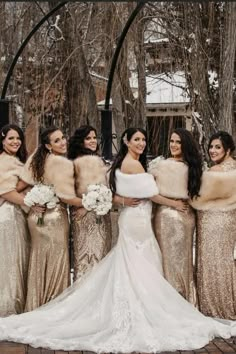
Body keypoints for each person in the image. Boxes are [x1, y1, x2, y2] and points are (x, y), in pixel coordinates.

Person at [0, 127, 235, 352]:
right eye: (137, 140)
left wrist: (124, 196)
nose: (141, 144)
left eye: (143, 140)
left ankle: (143, 306)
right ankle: (142, 310)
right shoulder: (132, 164)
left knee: (137, 261)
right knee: (139, 261)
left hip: (135, 216)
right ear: (127, 142)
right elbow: (151, 192)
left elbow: (129, 190)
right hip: (136, 219)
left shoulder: (127, 164)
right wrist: (173, 202)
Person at [19, 127, 83, 311]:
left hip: (36, 217)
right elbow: (66, 197)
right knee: (57, 262)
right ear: (48, 145)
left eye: (63, 137)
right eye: (57, 140)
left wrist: (31, 200)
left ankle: (35, 305)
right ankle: (53, 308)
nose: (63, 142)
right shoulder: (61, 164)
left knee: (38, 259)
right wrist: (88, 203)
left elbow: (19, 186)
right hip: (54, 217)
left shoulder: (35, 160)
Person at [149, 128, 202, 304]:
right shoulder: (160, 166)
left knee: (185, 259)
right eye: (171, 141)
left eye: (178, 142)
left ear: (185, 144)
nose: (173, 145)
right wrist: (174, 204)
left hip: (187, 217)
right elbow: (151, 193)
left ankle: (186, 300)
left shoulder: (193, 167)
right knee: (166, 259)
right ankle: (169, 302)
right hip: (165, 215)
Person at [191, 131, 236, 320]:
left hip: (211, 221)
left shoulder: (214, 172)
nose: (213, 150)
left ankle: (214, 308)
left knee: (211, 263)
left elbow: (197, 200)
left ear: (228, 150)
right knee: (225, 262)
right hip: (230, 221)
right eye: (211, 146)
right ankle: (230, 303)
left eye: (218, 147)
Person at [68, 125, 112, 281]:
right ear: (80, 141)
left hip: (100, 213)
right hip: (85, 216)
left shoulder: (98, 160)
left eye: (94, 137)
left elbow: (104, 188)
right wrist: (86, 205)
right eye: (88, 138)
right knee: (87, 256)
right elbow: (68, 192)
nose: (93, 141)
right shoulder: (77, 163)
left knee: (100, 253)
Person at [0, 124, 29, 316]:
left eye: (18, 138)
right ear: (2, 141)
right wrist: (32, 202)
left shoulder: (16, 161)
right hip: (8, 216)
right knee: (10, 260)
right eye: (11, 138)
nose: (15, 141)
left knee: (17, 259)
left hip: (17, 215)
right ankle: (8, 307)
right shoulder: (4, 161)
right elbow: (5, 191)